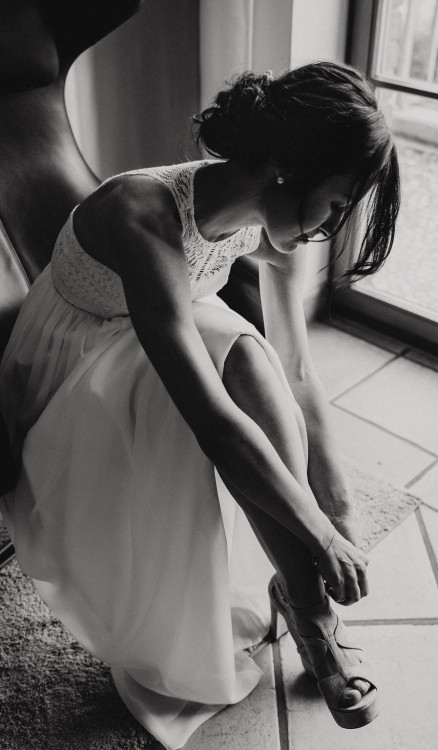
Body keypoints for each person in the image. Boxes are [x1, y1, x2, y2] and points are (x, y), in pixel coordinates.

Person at [0, 61, 400, 748]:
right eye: (336, 205)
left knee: (254, 361)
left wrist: (337, 506)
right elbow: (212, 420)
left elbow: (299, 371)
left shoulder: (277, 222)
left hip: (168, 322)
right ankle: (308, 608)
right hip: (79, 359)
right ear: (284, 169)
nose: (332, 226)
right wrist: (316, 536)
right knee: (210, 401)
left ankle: (308, 613)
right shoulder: (141, 213)